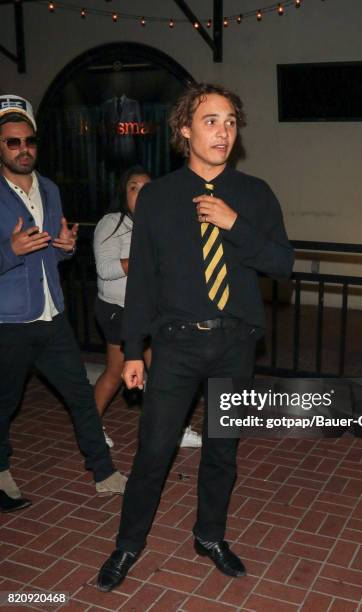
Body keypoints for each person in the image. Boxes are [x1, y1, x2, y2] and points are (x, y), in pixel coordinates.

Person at [96, 83, 294, 591]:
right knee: (154, 452)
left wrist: (235, 225)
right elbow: (141, 281)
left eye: (230, 122)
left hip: (235, 344)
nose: (223, 132)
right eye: (211, 121)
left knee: (222, 451)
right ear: (185, 129)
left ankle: (209, 535)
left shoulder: (254, 194)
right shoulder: (159, 197)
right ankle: (128, 544)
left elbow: (283, 264)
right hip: (178, 345)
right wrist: (134, 350)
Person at [0, 94, 127, 508]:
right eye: (12, 142)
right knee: (4, 403)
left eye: (29, 141)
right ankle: (1, 473)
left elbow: (50, 251)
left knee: (79, 393)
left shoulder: (50, 189)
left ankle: (104, 472)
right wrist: (9, 251)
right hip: (10, 322)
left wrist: (66, 247)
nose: (23, 149)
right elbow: (18, 253)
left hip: (52, 316)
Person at [93, 165, 201, 449]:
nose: (141, 193)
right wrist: (144, 260)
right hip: (118, 310)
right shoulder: (111, 223)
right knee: (116, 371)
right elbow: (105, 269)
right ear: (123, 192)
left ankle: (174, 430)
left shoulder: (157, 222)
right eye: (134, 187)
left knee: (162, 372)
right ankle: (90, 429)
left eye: (147, 188)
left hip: (150, 311)